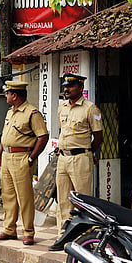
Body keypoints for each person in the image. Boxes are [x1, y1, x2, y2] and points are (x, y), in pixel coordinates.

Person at [49, 73, 103, 251]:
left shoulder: (90, 108)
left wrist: (88, 153)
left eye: (70, 86)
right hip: (63, 158)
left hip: (81, 158)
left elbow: (98, 137)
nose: (66, 89)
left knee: (82, 199)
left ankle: (85, 239)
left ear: (80, 88)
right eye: (65, 86)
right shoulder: (62, 107)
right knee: (63, 199)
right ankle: (62, 236)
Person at [0, 81, 49, 246]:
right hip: (7, 157)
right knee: (8, 196)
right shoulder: (11, 112)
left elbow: (43, 137)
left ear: (14, 95)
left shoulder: (32, 113)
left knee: (24, 197)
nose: (6, 96)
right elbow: (5, 136)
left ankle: (28, 232)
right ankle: (9, 229)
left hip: (21, 158)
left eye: (8, 94)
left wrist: (31, 158)